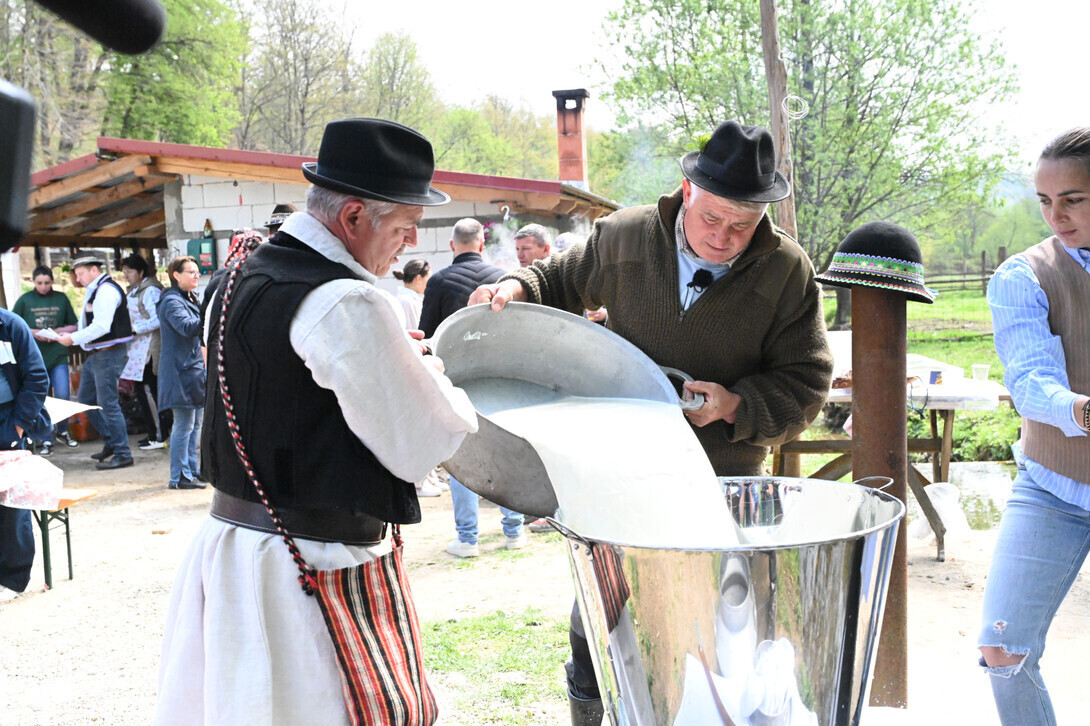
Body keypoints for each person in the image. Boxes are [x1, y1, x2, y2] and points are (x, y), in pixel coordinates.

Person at [470, 119, 833, 722]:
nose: (722, 237)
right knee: (598, 623)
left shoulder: (787, 270)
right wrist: (510, 286)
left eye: (741, 226)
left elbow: (807, 383)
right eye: (711, 218)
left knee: (720, 637)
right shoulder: (624, 235)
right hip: (619, 475)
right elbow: (555, 279)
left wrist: (734, 405)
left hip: (720, 482)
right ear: (687, 192)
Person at [155, 118, 478, 726]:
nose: (410, 242)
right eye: (404, 226)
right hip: (307, 566)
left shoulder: (238, 277)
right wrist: (426, 370)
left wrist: (388, 356)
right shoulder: (344, 301)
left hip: (238, 546)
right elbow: (424, 439)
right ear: (354, 216)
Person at [978, 127, 1090, 726]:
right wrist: (1082, 410)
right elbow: (1030, 382)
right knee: (1003, 649)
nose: (1056, 216)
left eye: (1072, 199)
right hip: (1052, 486)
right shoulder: (1022, 276)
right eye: (1045, 201)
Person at [57, 256, 135, 470]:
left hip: (108, 353)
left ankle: (122, 452)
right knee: (87, 400)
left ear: (94, 270)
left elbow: (101, 326)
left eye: (81, 273)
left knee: (107, 403)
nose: (78, 278)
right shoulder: (98, 289)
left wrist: (73, 338)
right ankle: (112, 441)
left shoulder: (106, 290)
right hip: (98, 354)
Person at [0, 308, 50, 601]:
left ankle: (14, 579)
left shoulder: (11, 325)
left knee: (11, 502)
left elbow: (37, 377)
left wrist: (17, 426)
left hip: (8, 420)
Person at [11, 265, 78, 454]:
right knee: (41, 398)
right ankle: (45, 437)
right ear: (33, 282)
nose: (43, 286)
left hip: (58, 354)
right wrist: (34, 333)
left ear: (52, 282)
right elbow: (13, 324)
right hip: (34, 357)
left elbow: (74, 325)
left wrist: (58, 332)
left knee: (63, 394)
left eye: (47, 283)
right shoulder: (25, 300)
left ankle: (63, 430)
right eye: (39, 283)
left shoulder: (61, 298)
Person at [158, 256, 207, 490]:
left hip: (191, 370)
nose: (196, 276)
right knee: (184, 425)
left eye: (198, 272)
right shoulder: (171, 301)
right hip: (179, 373)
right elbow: (187, 328)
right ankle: (179, 476)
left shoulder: (189, 297)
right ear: (176, 275)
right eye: (191, 272)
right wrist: (211, 314)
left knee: (194, 425)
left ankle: (192, 471)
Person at [418, 217, 504, 337]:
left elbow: (426, 333)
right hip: (498, 348)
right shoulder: (503, 278)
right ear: (481, 244)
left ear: (452, 245)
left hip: (452, 349)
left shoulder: (438, 281)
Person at [119, 254, 168, 451]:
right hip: (138, 348)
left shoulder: (150, 291)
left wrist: (135, 329)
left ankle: (160, 433)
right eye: (124, 272)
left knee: (150, 390)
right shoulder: (134, 290)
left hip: (149, 348)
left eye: (130, 271)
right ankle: (152, 432)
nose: (126, 275)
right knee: (141, 390)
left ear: (140, 272)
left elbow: (158, 319)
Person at [391, 257, 430, 330]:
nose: (429, 283)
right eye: (428, 279)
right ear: (419, 279)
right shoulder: (406, 302)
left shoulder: (409, 300)